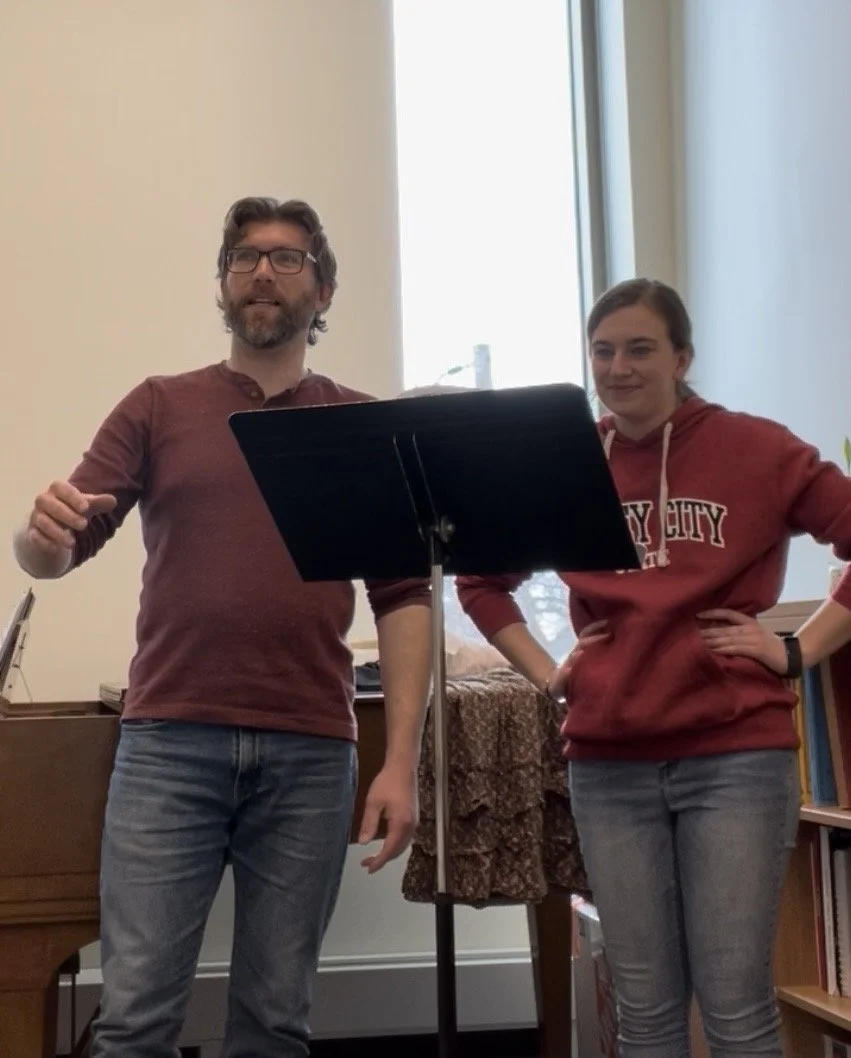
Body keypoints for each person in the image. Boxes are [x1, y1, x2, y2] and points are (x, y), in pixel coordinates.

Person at [12, 196, 432, 1058]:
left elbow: (403, 596)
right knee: (133, 1020)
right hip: (169, 744)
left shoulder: (360, 424)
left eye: (286, 258)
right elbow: (57, 550)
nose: (262, 272)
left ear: (323, 289)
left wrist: (401, 761)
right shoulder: (159, 406)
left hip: (313, 751)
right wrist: (36, 537)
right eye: (244, 258)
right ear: (222, 283)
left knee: (276, 1024)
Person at [456, 277, 851, 1058]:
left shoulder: (758, 449)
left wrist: (794, 650)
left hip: (734, 758)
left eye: (640, 348)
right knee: (642, 1009)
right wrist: (546, 671)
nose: (618, 366)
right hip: (609, 763)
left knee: (736, 1003)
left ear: (682, 358)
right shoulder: (567, 463)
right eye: (602, 351)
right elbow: (478, 578)